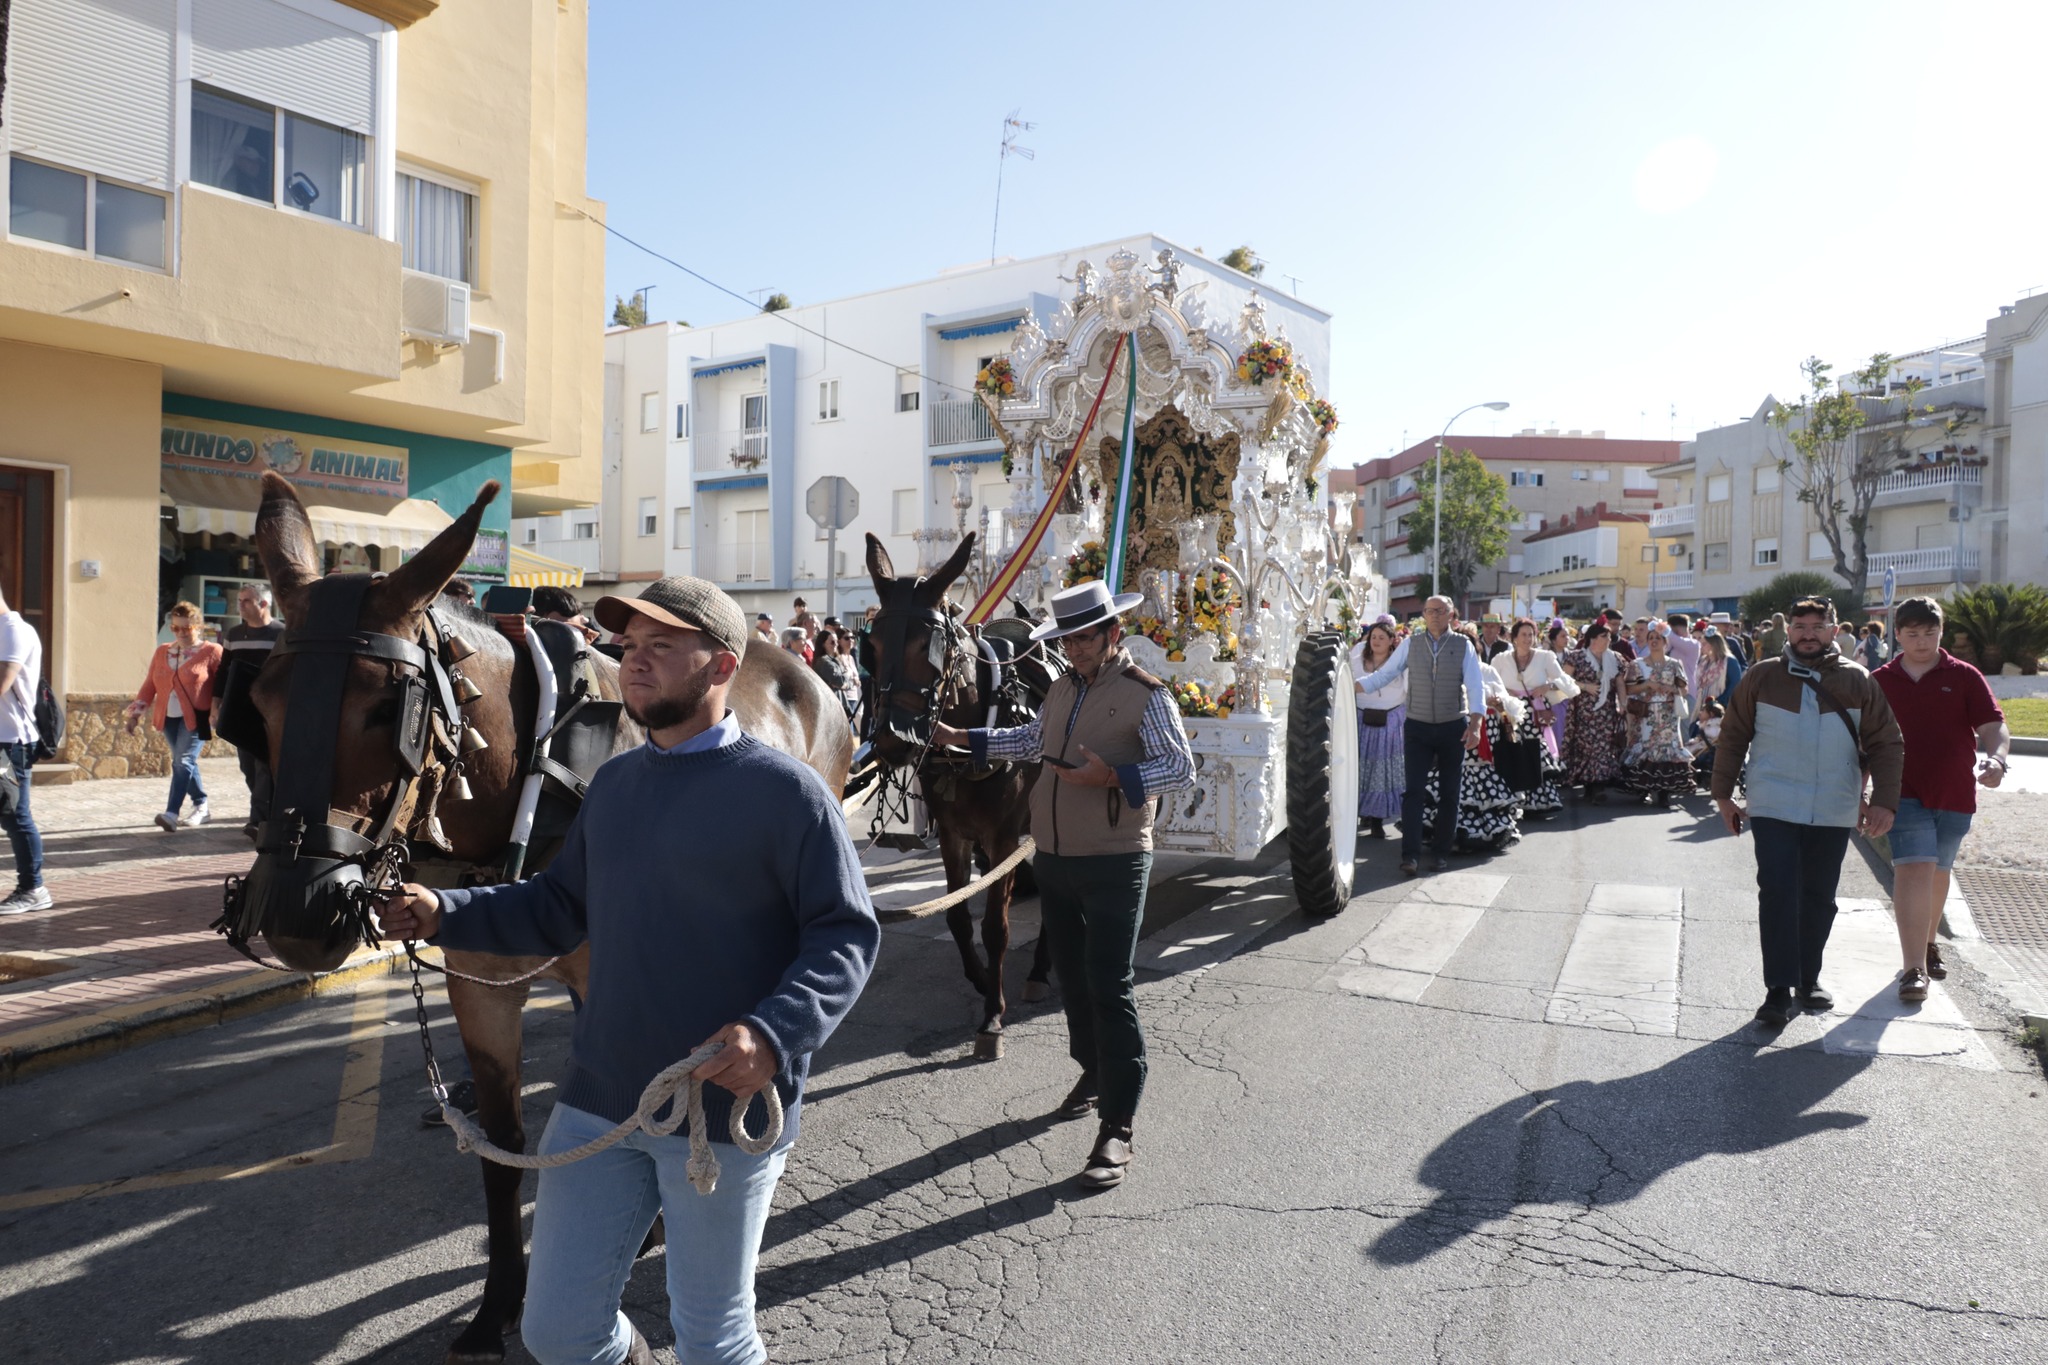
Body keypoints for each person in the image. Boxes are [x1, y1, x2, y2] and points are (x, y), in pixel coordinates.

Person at [376, 575, 880, 1365]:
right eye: (630, 646)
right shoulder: (613, 785)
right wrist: (448, 915)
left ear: (720, 667)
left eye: (661, 648)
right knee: (557, 1332)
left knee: (715, 1341)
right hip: (599, 1103)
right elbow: (555, 906)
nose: (633, 663)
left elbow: (846, 934)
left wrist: (773, 1036)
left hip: (721, 1109)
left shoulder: (788, 796)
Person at [931, 579, 1196, 1189]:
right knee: (1072, 983)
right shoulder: (1059, 689)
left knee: (1109, 985)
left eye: (1084, 637)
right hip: (1052, 859)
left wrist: (1114, 778)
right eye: (1067, 639)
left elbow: (1182, 767)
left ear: (1112, 634)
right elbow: (1030, 742)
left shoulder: (1145, 695)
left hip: (1115, 859)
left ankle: (1118, 1127)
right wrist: (962, 738)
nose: (1074, 648)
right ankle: (1092, 1070)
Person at [1713, 598, 1904, 1029]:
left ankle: (1808, 978)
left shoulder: (1859, 681)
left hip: (1834, 807)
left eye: (1817, 626)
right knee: (1777, 890)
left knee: (1818, 896)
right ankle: (1777, 990)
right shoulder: (1762, 677)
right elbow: (1733, 734)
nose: (1808, 633)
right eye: (1800, 625)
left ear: (1833, 631)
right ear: (1788, 630)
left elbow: (1887, 742)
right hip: (1773, 804)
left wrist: (1884, 802)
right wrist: (1723, 794)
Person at [1872, 597, 2009, 1004]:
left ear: (1941, 632)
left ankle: (1928, 941)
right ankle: (1913, 969)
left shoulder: (1964, 675)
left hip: (1953, 791)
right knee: (1914, 869)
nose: (1922, 642)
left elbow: (1993, 725)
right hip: (1901, 791)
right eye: (1912, 634)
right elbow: (1863, 741)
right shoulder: (1879, 680)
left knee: (1938, 871)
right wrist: (1863, 791)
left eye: (1930, 633)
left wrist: (1998, 760)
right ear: (1897, 635)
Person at [1352, 595, 1486, 877]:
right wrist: (1348, 686)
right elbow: (1384, 675)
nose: (1434, 615)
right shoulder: (1411, 644)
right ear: (1423, 615)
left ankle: (1440, 854)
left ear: (1451, 614)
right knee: (1413, 793)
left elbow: (1475, 686)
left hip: (1452, 726)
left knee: (1450, 793)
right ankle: (1410, 855)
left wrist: (1475, 724)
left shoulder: (1463, 646)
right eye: (1429, 611)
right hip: (1417, 727)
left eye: (1440, 610)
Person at [1421, 625, 1523, 850]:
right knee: (1452, 776)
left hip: (1484, 731)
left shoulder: (1486, 670)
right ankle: (1449, 834)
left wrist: (1496, 701)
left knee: (1477, 775)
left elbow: (1507, 702)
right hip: (1452, 729)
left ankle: (1476, 834)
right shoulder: (1441, 669)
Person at [125, 602, 223, 832]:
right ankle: (201, 805)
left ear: (198, 626)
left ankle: (171, 813)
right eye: (175, 628)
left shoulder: (212, 652)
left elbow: (223, 685)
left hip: (199, 716)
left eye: (186, 628)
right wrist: (135, 715)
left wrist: (219, 711)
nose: (180, 633)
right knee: (183, 762)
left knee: (183, 761)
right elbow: (150, 685)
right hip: (167, 716)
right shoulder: (163, 652)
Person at [1491, 617, 1573, 821]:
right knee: (1510, 752)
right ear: (1513, 637)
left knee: (1533, 753)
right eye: (1523, 635)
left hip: (1535, 712)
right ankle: (1512, 799)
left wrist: (1547, 687)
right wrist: (1503, 692)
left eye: (1531, 635)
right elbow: (1491, 684)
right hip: (1509, 712)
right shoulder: (1500, 659)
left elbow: (1568, 684)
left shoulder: (1545, 657)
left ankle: (1536, 801)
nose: (1528, 639)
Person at [221, 584, 286, 840]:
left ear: (263, 604)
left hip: (271, 711)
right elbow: (223, 671)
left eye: (246, 601)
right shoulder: (234, 634)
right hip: (241, 709)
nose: (240, 605)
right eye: (239, 601)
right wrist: (217, 703)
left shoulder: (282, 633)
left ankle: (258, 820)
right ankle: (266, 811)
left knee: (263, 765)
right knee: (248, 766)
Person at [0, 585, 49, 915]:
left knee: (16, 816)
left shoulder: (14, 630)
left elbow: (2, 681)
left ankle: (33, 888)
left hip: (11, 742)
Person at [1622, 624, 1694, 808]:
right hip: (1645, 714)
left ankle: (1664, 794)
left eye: (1658, 638)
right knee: (1645, 747)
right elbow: (1629, 688)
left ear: (1665, 642)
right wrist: (1647, 685)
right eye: (1651, 638)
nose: (1654, 641)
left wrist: (1672, 689)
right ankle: (1643, 790)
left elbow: (1684, 689)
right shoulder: (1637, 664)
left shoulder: (1674, 664)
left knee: (1667, 751)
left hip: (1668, 714)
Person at [1350, 619, 1406, 841]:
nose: (1377, 641)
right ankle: (1359, 814)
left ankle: (1377, 821)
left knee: (1382, 774)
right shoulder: (1357, 658)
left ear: (1392, 641)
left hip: (1390, 723)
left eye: (1382, 637)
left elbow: (1408, 690)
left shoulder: (1400, 663)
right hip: (1360, 719)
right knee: (1360, 769)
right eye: (1374, 637)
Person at [1561, 622, 1626, 802]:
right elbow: (1563, 680)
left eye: (1609, 637)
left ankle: (1598, 786)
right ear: (1592, 639)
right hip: (1583, 711)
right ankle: (1590, 784)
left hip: (1606, 712)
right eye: (1604, 636)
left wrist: (1623, 703)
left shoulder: (1615, 658)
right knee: (1586, 747)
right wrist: (1584, 686)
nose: (1608, 640)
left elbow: (1620, 683)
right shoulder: (1577, 657)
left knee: (1603, 747)